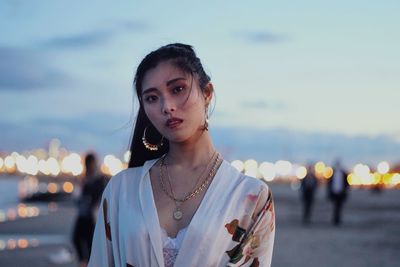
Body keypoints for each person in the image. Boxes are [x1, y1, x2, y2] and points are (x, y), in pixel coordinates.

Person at [88, 43, 275, 267]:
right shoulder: (121, 189)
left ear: (206, 93)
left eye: (177, 89)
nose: (166, 106)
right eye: (152, 98)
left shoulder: (251, 196)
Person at [72, 153, 107, 267]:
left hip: (92, 216)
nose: (89, 165)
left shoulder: (98, 179)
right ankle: (84, 261)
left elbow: (99, 197)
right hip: (83, 214)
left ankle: (88, 262)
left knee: (89, 242)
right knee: (77, 238)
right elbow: (80, 196)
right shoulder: (85, 178)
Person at [327, 159, 349, 226]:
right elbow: (329, 183)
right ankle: (335, 219)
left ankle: (338, 219)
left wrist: (345, 191)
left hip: (341, 193)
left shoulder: (343, 173)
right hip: (334, 192)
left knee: (339, 207)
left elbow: (346, 184)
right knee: (335, 206)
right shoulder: (332, 173)